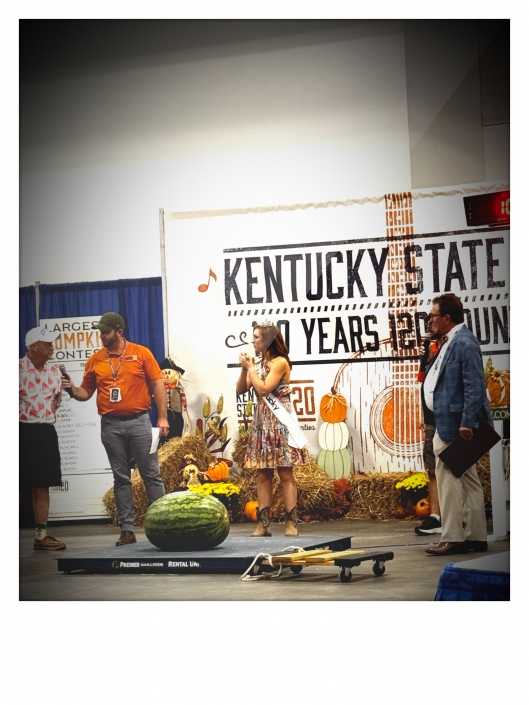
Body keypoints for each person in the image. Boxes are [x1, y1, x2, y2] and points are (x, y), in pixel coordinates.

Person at [63, 312, 169, 545]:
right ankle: (127, 530)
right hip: (110, 424)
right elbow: (85, 393)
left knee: (151, 475)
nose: (101, 336)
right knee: (121, 478)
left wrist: (162, 417)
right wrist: (71, 388)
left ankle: (163, 523)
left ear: (119, 332)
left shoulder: (141, 353)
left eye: (106, 331)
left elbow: (158, 384)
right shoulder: (95, 360)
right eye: (100, 331)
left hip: (140, 420)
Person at [422, 293, 492, 556]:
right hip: (448, 420)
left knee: (448, 478)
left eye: (433, 316)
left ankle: (453, 537)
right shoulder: (451, 342)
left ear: (447, 318)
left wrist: (468, 422)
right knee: (469, 479)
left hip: (455, 424)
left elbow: (475, 385)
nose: (430, 320)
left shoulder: (464, 343)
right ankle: (476, 535)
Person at [236, 321, 310, 537]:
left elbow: (265, 388)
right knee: (263, 475)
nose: (253, 341)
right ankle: (263, 524)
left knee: (286, 473)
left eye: (257, 337)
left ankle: (291, 523)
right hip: (262, 425)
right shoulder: (257, 365)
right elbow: (241, 390)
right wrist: (245, 371)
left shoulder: (280, 362)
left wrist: (251, 369)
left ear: (267, 339)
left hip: (280, 424)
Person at [20, 326, 67, 550]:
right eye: (47, 343)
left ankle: (41, 536)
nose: (52, 347)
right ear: (34, 346)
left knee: (43, 485)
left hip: (45, 432)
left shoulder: (54, 372)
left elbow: (56, 402)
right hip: (20, 431)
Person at [415, 327, 442, 536]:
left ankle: (455, 516)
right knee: (432, 469)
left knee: (453, 469)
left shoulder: (451, 350)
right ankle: (436, 516)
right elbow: (425, 387)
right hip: (431, 420)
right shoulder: (428, 353)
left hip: (448, 420)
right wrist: (424, 417)